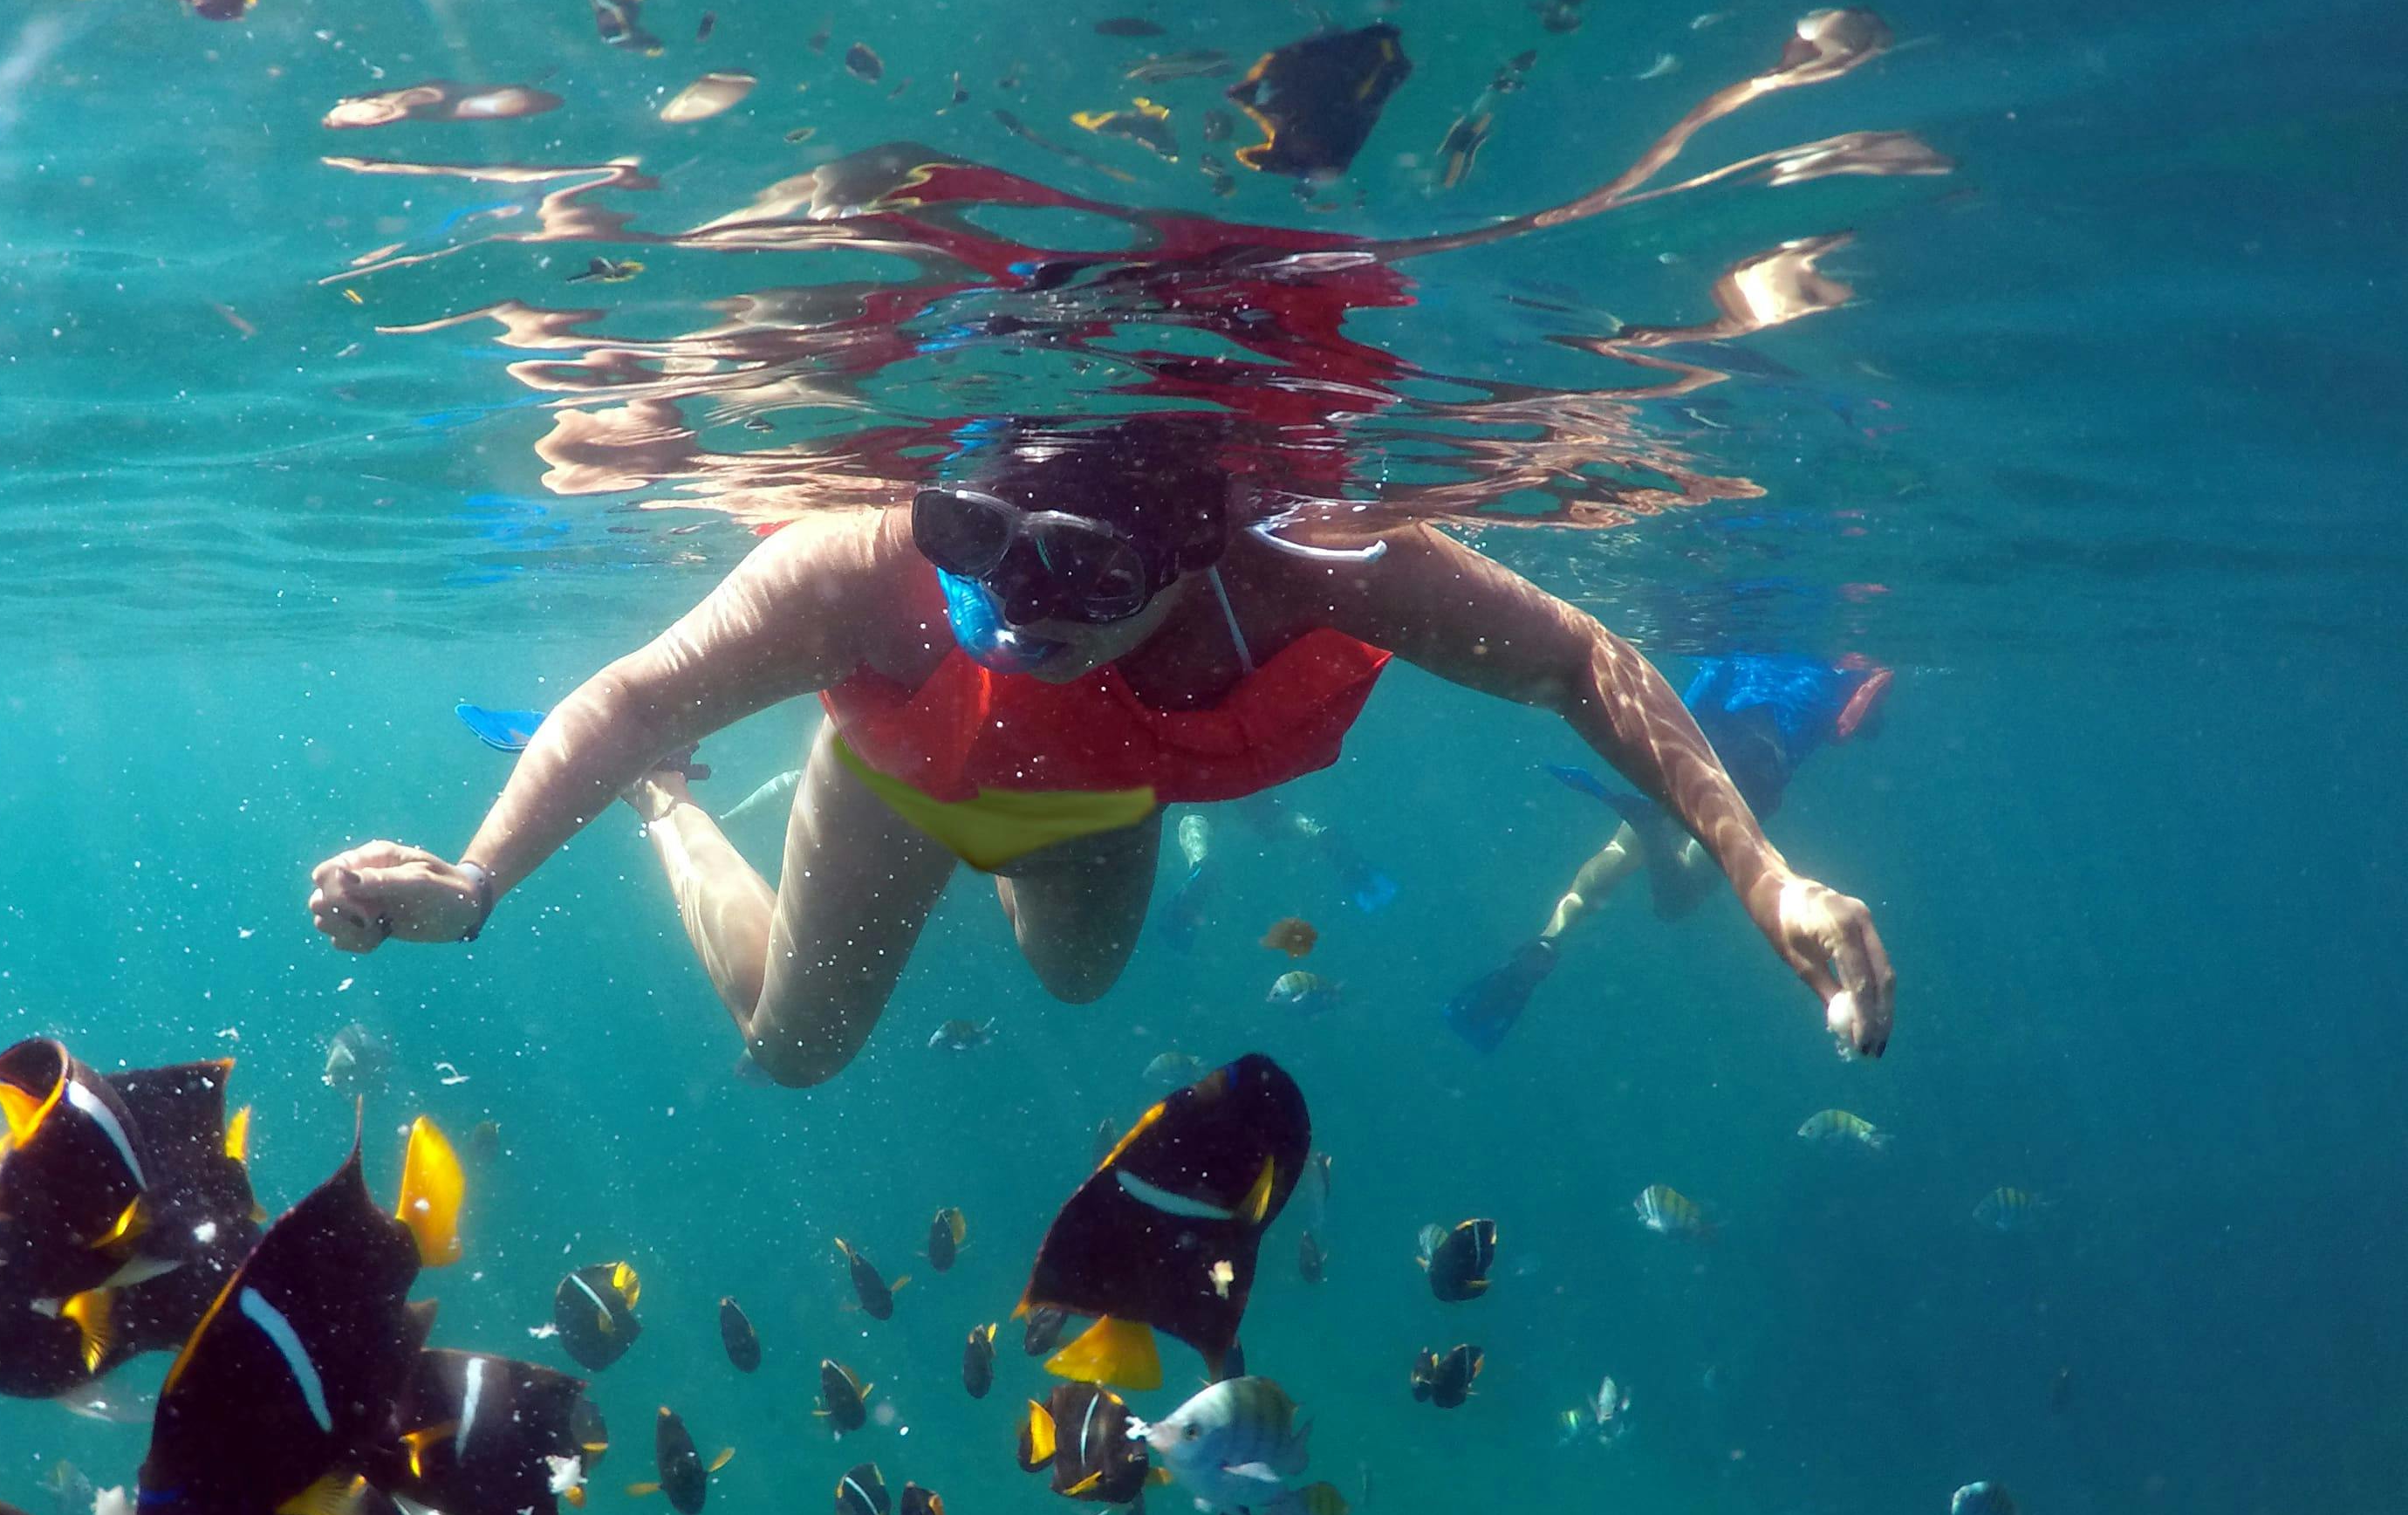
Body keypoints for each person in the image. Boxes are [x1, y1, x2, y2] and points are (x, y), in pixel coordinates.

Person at [307, 422, 1895, 1086]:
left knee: (1074, 987)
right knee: (790, 1050)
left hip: (1092, 804)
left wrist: (1761, 875)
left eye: (1083, 598)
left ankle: (899, 814)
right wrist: (476, 873)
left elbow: (1577, 656)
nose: (1022, 617)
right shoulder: (854, 567)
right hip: (893, 783)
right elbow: (639, 695)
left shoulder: (1307, 563)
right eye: (984, 569)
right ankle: (690, 823)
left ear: (1192, 555)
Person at [1442, 653, 1892, 1051]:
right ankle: (1655, 838)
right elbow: (1851, 725)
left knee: (1618, 851)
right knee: (1679, 899)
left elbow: (1703, 682)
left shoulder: (1743, 638)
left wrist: (1660, 749)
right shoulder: (1847, 664)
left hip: (1697, 737)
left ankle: (1549, 939)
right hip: (1757, 764)